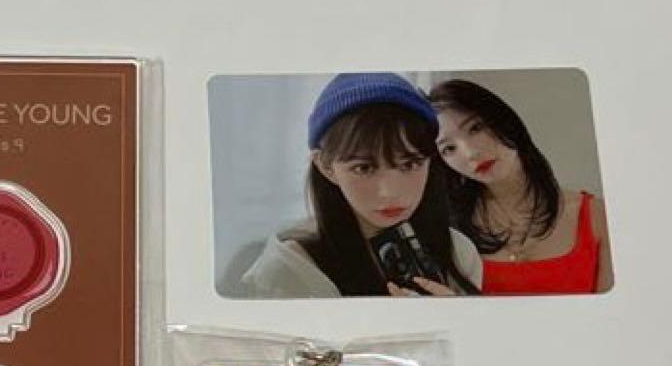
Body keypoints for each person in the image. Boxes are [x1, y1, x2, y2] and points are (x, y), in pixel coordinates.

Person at [240, 73, 483, 298]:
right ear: (326, 166)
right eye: (364, 168)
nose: (389, 192)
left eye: (410, 164)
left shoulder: (459, 252)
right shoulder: (289, 271)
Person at [430, 78, 611, 294]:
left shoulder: (597, 216)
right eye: (449, 149)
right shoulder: (449, 233)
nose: (470, 153)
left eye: (476, 128)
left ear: (504, 120)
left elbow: (617, 313)